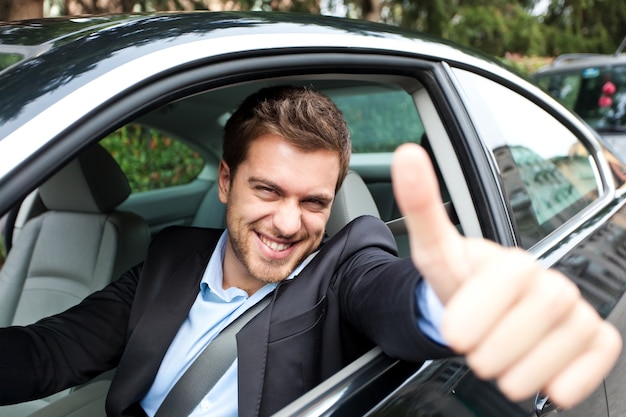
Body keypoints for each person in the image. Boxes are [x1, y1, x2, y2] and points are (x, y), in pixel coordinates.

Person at [0, 85, 621, 417]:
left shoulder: (346, 265)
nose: (288, 223)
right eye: (266, 190)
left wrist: (451, 303)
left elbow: (387, 293)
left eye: (315, 202)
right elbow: (52, 352)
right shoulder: (170, 259)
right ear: (224, 182)